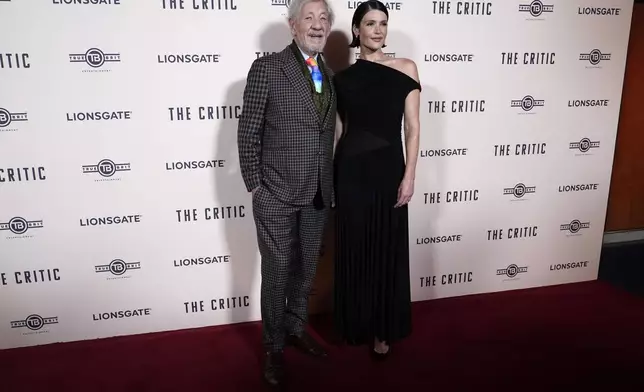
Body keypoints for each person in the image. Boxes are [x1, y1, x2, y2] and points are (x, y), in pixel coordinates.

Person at [237, 0, 336, 387]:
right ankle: (272, 347)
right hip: (275, 193)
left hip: (317, 192)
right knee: (277, 273)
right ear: (293, 25)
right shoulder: (267, 68)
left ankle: (295, 329)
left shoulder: (327, 71)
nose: (317, 25)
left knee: (306, 268)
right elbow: (248, 133)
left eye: (323, 18)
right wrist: (256, 187)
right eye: (309, 18)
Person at [332, 0, 421, 359]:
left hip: (388, 170)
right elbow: (340, 131)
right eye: (370, 23)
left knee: (386, 247)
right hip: (351, 171)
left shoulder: (406, 68)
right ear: (357, 30)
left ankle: (383, 329)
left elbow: (413, 129)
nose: (378, 30)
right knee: (355, 246)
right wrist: (331, 179)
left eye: (383, 23)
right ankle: (357, 324)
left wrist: (409, 174)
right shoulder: (342, 79)